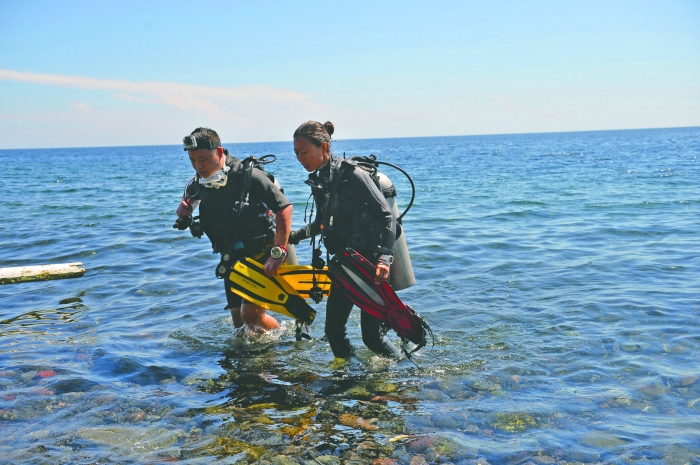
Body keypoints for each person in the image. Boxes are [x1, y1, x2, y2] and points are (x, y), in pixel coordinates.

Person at [289, 121, 402, 358]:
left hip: (370, 264)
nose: (300, 158)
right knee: (333, 332)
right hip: (344, 264)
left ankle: (400, 377)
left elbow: (386, 217)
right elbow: (322, 223)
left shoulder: (353, 175)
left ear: (324, 146)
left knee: (372, 338)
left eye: (304, 152)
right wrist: (292, 237)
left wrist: (384, 258)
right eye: (296, 153)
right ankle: (350, 380)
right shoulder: (322, 180)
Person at [175, 127, 292, 334]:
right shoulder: (200, 182)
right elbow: (189, 204)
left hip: (263, 254)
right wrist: (184, 211)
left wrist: (279, 251)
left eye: (202, 159)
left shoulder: (248, 175)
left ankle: (282, 339)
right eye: (192, 160)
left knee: (251, 316)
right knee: (240, 325)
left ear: (219, 152)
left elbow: (284, 208)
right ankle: (260, 363)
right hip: (232, 257)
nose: (197, 166)